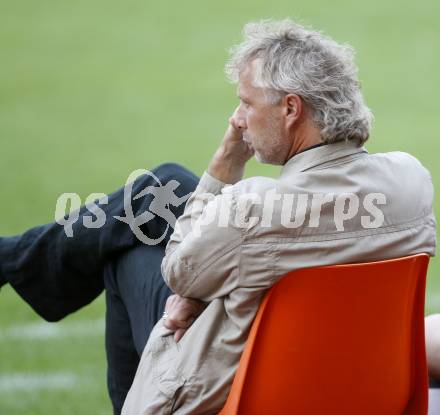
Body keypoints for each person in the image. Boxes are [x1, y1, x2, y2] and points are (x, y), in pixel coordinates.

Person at [0, 19, 436, 414]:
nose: (237, 118)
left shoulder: (250, 209)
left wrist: (224, 166)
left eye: (246, 102)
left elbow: (178, 270)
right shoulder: (411, 180)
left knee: (126, 248)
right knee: (160, 187)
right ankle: (13, 258)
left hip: (242, 382)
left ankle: (15, 261)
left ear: (290, 109)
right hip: (356, 382)